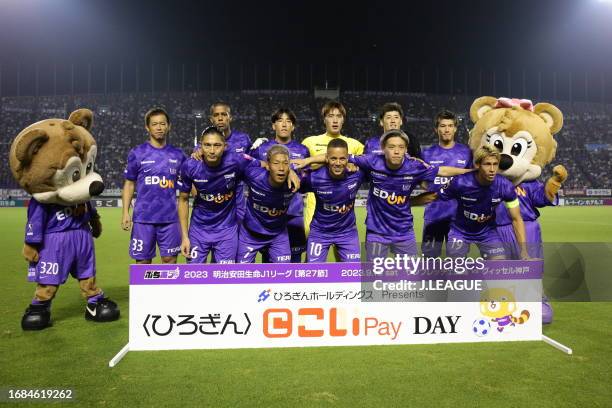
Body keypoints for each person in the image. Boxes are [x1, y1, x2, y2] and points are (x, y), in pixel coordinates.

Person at [296, 129, 470, 260]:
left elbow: (443, 171)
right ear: (383, 149)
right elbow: (336, 155)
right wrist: (308, 160)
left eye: (401, 147)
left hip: (404, 232)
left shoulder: (415, 166)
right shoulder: (371, 162)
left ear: (406, 150)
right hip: (376, 232)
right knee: (374, 280)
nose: (396, 151)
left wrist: (471, 172)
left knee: (408, 281)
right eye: (392, 147)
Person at [178, 126, 259, 264]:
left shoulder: (236, 161)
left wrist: (291, 171)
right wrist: (185, 237)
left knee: (224, 279)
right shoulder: (190, 166)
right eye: (207, 145)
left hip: (227, 231)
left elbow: (264, 165)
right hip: (198, 230)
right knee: (194, 278)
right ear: (201, 146)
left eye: (217, 145)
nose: (212, 150)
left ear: (225, 146)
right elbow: (183, 200)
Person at [438, 145, 529, 260]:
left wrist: (524, 251)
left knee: (499, 266)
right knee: (457, 270)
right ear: (477, 165)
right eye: (487, 164)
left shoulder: (505, 186)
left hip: (487, 233)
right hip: (459, 232)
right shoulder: (460, 182)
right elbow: (438, 197)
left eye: (495, 164)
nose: (492, 169)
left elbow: (517, 219)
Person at [121, 107, 186, 264]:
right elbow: (129, 184)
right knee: (142, 262)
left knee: (169, 260)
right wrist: (125, 212)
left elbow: (188, 183)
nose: (159, 127)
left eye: (162, 124)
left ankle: (167, 290)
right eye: (155, 124)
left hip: (170, 219)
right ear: (147, 127)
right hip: (143, 218)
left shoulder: (178, 155)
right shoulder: (137, 153)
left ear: (168, 126)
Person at [249, 108, 310, 262]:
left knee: (295, 260)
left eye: (288, 121)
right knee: (268, 262)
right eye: (280, 121)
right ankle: (268, 288)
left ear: (293, 127)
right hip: (267, 216)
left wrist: (293, 172)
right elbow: (249, 169)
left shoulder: (302, 150)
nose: (284, 124)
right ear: (273, 125)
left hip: (293, 214)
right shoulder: (262, 148)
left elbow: (307, 178)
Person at [301, 101, 364, 236]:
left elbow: (369, 165)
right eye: (330, 116)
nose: (335, 120)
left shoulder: (355, 145)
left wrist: (355, 165)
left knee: (344, 254)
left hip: (343, 211)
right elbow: (299, 168)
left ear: (343, 120)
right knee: (313, 250)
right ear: (324, 119)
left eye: (339, 116)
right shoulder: (309, 142)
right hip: (315, 206)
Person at [300, 138, 365, 262]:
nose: (338, 163)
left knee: (353, 275)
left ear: (348, 159)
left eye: (342, 158)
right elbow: (290, 182)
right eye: (333, 158)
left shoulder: (357, 174)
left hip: (347, 233)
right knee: (313, 275)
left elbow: (378, 163)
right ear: (327, 159)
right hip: (320, 233)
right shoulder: (314, 178)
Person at [421, 110, 473, 257]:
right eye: (443, 126)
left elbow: (471, 179)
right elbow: (422, 181)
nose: (447, 129)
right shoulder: (426, 153)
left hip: (458, 217)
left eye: (450, 125)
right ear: (436, 129)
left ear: (455, 128)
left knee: (458, 261)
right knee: (430, 260)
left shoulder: (466, 152)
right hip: (434, 215)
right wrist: (434, 189)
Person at [237, 145, 300, 263]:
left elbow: (328, 163)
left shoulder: (296, 180)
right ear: (268, 165)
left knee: (284, 276)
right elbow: (233, 157)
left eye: (285, 163)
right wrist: (201, 153)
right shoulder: (254, 175)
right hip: (250, 235)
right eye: (276, 163)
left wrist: (292, 170)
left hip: (278, 236)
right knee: (242, 276)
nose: (281, 168)